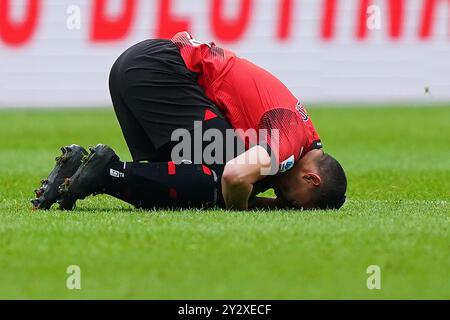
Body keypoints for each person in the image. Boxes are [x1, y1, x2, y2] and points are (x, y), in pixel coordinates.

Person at [31, 32, 347, 211]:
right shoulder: (291, 138)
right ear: (311, 180)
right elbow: (236, 176)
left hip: (136, 65)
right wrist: (242, 211)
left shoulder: (299, 131)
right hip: (157, 69)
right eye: (289, 199)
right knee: (223, 178)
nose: (280, 198)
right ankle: (105, 171)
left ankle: (94, 171)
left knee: (171, 190)